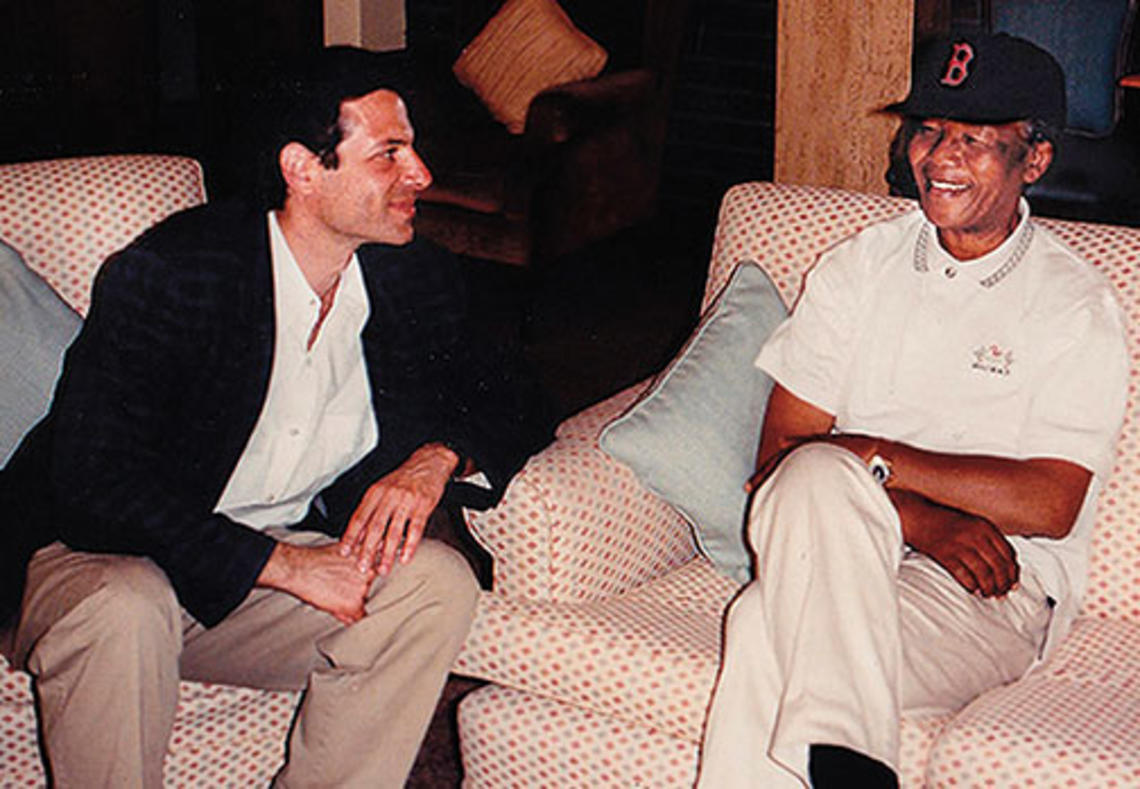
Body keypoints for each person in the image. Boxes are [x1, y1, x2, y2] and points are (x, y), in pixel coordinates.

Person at [0, 46, 551, 787]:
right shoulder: (177, 275)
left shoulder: (407, 273)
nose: (420, 174)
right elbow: (94, 481)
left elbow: (518, 392)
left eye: (413, 149)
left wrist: (436, 459)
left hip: (254, 577)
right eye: (390, 153)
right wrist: (288, 566)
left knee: (435, 584)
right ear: (301, 169)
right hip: (99, 559)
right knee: (127, 606)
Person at [696, 32, 1128, 788]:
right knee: (815, 476)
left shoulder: (1074, 302)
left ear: (1036, 160)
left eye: (975, 139)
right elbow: (779, 460)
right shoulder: (859, 267)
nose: (939, 157)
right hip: (844, 544)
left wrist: (870, 453)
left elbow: (1050, 501)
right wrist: (922, 516)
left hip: (991, 589)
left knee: (764, 624)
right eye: (928, 129)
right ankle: (851, 767)